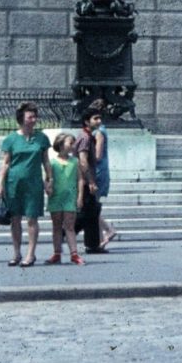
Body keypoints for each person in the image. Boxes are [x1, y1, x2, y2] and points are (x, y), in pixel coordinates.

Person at [0, 102, 52, 266]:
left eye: (35, 116)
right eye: (30, 117)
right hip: (13, 183)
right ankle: (16, 253)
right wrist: (0, 183)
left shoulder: (41, 138)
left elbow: (46, 161)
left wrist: (50, 179)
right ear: (21, 119)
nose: (34, 120)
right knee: (15, 219)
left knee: (32, 219)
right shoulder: (11, 139)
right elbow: (5, 163)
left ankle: (31, 254)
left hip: (33, 184)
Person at [44, 134, 86, 265]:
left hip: (70, 197)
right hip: (56, 197)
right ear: (61, 144)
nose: (73, 146)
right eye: (70, 143)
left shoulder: (75, 161)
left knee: (69, 226)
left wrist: (80, 196)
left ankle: (74, 253)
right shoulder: (52, 162)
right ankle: (57, 253)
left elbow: (80, 179)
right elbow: (47, 179)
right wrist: (48, 188)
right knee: (56, 226)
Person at [73, 108, 108, 255]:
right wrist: (91, 181)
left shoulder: (89, 136)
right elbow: (83, 161)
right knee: (86, 213)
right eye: (96, 118)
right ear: (87, 121)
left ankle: (93, 244)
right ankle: (65, 233)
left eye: (100, 118)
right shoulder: (86, 138)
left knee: (92, 212)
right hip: (85, 181)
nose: (99, 121)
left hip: (88, 179)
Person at [93, 103, 117, 249]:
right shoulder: (99, 131)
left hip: (98, 172)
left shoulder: (99, 132)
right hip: (99, 171)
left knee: (92, 207)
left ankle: (108, 230)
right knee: (94, 207)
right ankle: (100, 239)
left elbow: (97, 155)